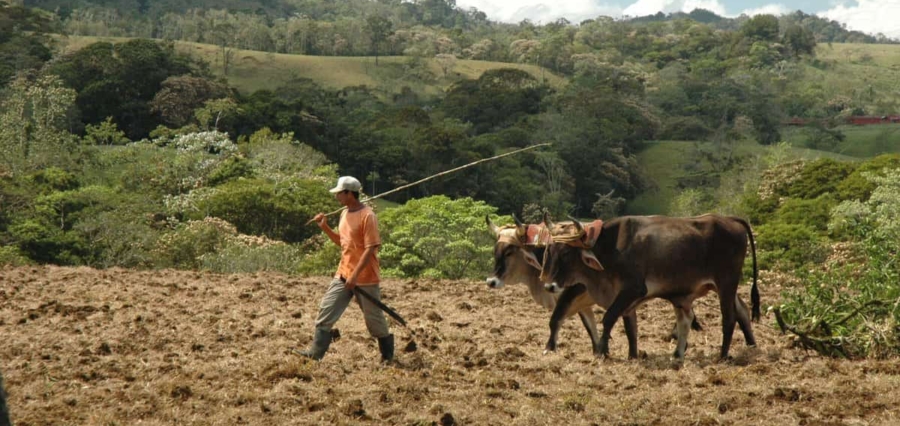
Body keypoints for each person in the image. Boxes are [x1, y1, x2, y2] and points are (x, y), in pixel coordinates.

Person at [297, 176, 394, 362]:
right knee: (327, 308)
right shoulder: (344, 213)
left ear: (350, 193)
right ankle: (315, 353)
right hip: (343, 273)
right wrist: (324, 227)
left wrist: (355, 275)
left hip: (365, 276)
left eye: (339, 193)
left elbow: (371, 248)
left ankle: (387, 356)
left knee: (373, 319)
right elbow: (342, 243)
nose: (337, 197)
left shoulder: (368, 216)